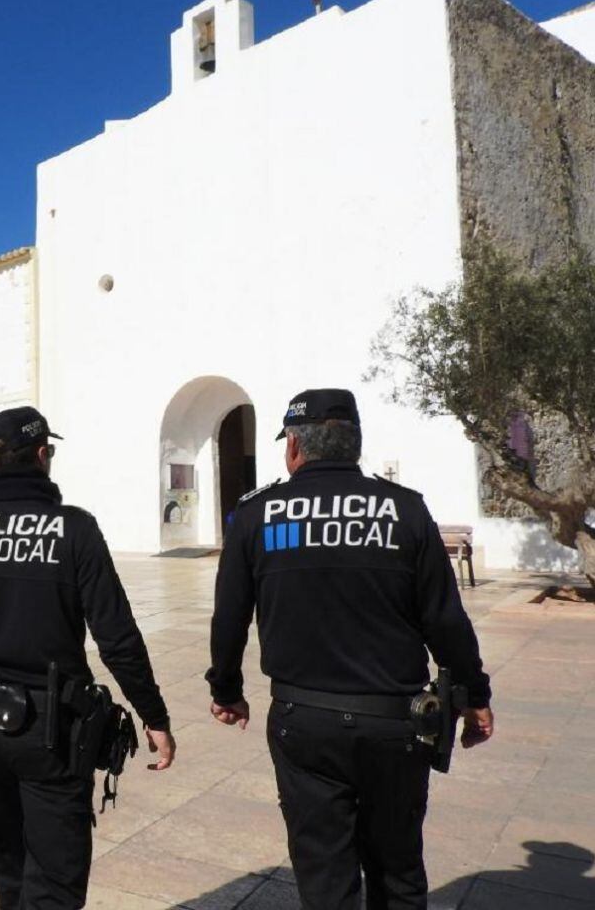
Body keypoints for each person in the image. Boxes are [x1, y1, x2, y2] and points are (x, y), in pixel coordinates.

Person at [208, 388, 494, 910]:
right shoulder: (404, 510)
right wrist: (474, 693)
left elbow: (229, 619)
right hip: (396, 721)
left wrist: (226, 690)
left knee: (325, 874)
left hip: (303, 720)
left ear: (293, 447)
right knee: (399, 870)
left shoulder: (255, 515)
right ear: (355, 444)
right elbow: (444, 619)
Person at [0, 406, 176, 910]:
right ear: (43, 455)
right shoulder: (74, 530)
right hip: (53, 734)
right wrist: (154, 715)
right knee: (56, 886)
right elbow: (118, 636)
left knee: (11, 874)